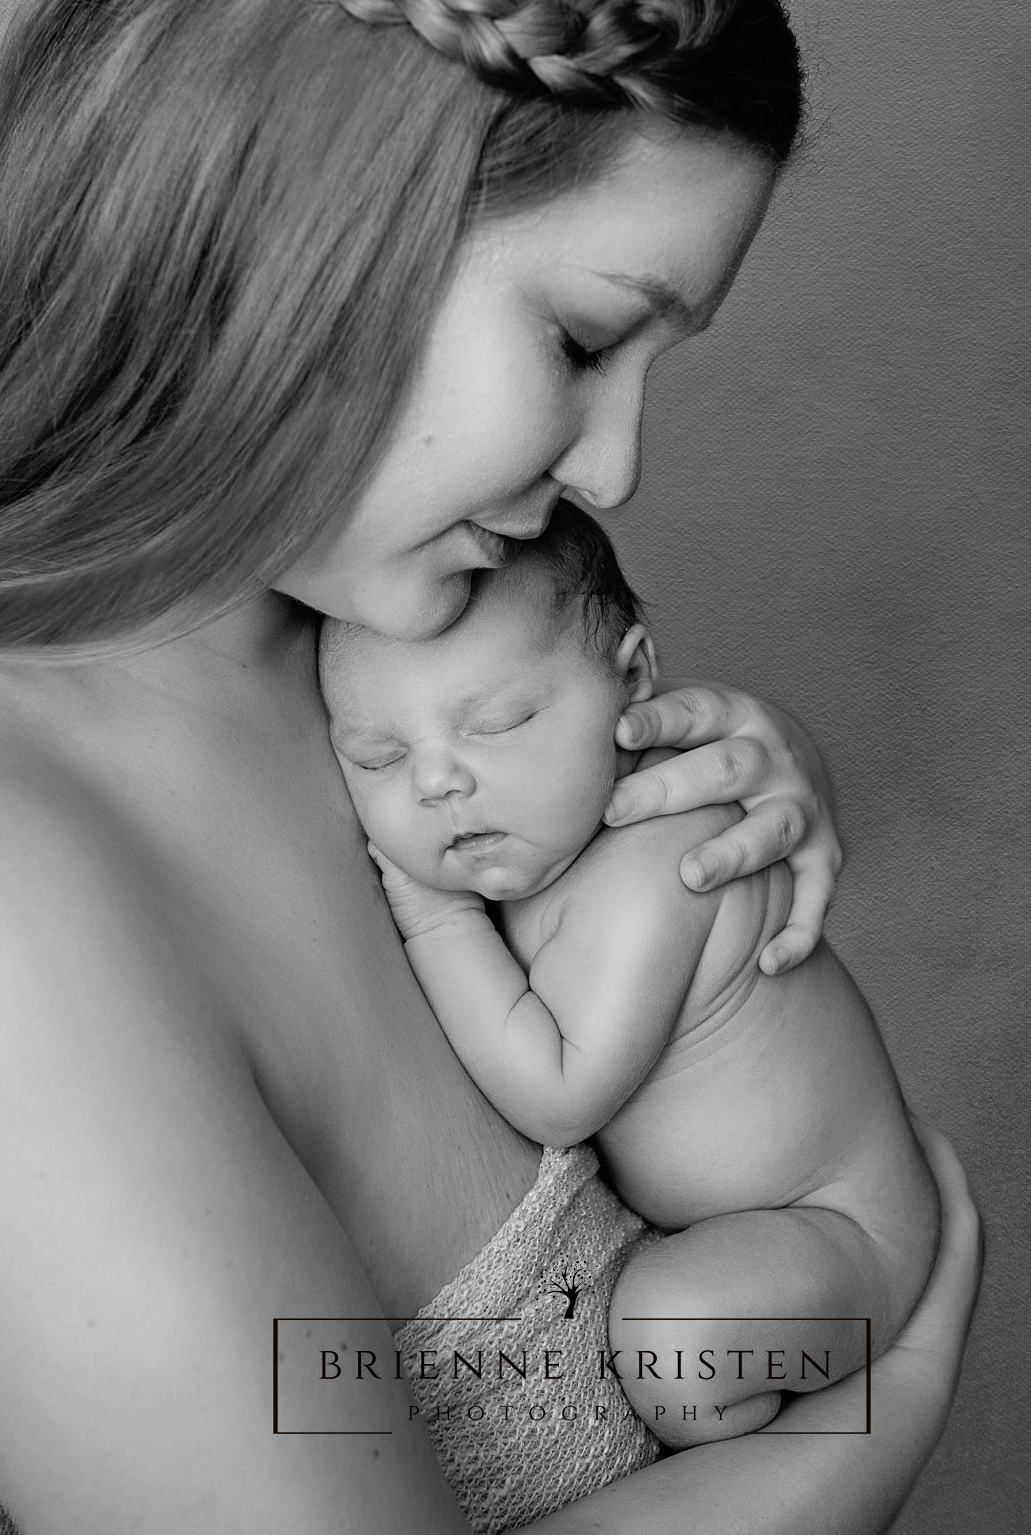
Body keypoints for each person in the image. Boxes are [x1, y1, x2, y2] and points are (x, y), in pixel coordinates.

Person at [0, 0, 980, 1534]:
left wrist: (701, 803)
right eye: (578, 338)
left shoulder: (370, 671)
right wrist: (851, 1447)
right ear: (310, 238)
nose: (613, 462)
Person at [321, 499, 940, 1456]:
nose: (437, 782)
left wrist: (436, 916)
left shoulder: (663, 865)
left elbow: (558, 1096)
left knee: (671, 1333)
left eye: (499, 722)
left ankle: (741, 1476)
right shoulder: (536, 834)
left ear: (634, 684)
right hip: (734, 1230)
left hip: (832, 1228)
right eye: (379, 756)